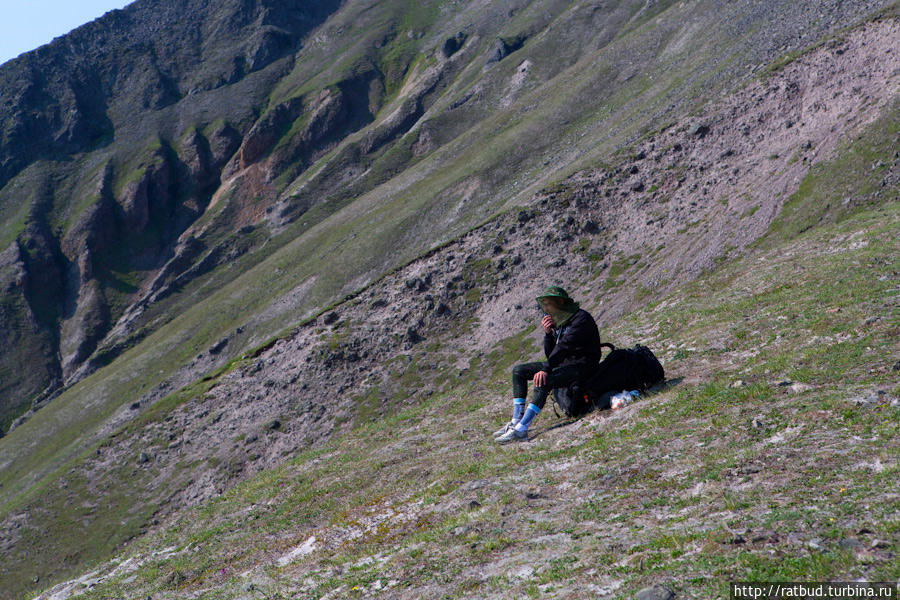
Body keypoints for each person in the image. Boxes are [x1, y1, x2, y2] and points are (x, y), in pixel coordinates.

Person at [494, 286, 603, 443]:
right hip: (564, 363)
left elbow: (564, 347)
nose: (546, 309)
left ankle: (522, 429)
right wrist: (548, 333)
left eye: (549, 304)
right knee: (519, 371)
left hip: (583, 366)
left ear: (560, 302)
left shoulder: (580, 319)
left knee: (543, 379)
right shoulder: (560, 320)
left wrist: (546, 369)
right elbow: (551, 352)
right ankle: (515, 421)